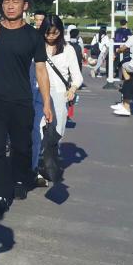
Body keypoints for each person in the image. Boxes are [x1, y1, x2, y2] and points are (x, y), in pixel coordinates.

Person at [0, 0, 53, 217]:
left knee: (22, 147)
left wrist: (46, 103)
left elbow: (41, 70)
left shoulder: (33, 36)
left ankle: (20, 179)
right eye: (6, 2)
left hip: (21, 100)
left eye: (15, 1)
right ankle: (1, 194)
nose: (10, 6)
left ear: (25, 5)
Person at [32, 15, 83, 185]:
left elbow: (77, 76)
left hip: (60, 95)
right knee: (37, 134)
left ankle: (48, 165)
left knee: (55, 134)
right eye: (47, 33)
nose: (51, 36)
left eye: (55, 33)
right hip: (38, 93)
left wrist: (72, 89)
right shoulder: (36, 46)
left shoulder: (68, 49)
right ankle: (33, 169)